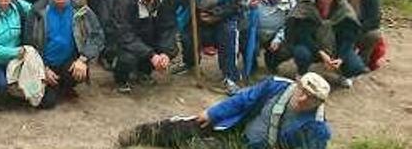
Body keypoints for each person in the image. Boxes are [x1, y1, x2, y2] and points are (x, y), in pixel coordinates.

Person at [115, 72, 332, 149]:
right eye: (302, 91)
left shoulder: (317, 129)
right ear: (297, 84)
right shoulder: (277, 85)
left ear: (319, 103)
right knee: (186, 126)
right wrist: (213, 113)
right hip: (236, 127)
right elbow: (243, 100)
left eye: (311, 98)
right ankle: (138, 134)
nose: (303, 99)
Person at [25, 0, 104, 109]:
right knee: (46, 103)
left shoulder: (80, 9)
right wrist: (42, 68)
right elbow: (29, 44)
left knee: (76, 74)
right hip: (46, 64)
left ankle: (66, 85)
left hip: (70, 62)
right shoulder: (37, 11)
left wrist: (83, 59)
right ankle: (54, 87)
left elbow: (97, 35)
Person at [286, 0, 365, 88]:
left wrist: (341, 58)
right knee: (301, 53)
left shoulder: (345, 8)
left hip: (336, 47)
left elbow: (348, 37)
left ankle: (345, 74)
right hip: (310, 45)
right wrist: (321, 53)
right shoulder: (306, 4)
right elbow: (301, 34)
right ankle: (302, 73)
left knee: (357, 67)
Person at [101, 0, 176, 94]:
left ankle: (143, 71)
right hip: (118, 41)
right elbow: (123, 34)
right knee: (128, 57)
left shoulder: (162, 0)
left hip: (142, 37)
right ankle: (121, 78)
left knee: (172, 48)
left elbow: (167, 27)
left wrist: (165, 53)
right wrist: (151, 54)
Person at [244, 0, 296, 75]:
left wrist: (278, 38)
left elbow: (291, 22)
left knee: (290, 47)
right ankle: (251, 64)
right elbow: (243, 21)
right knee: (243, 39)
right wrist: (248, 7)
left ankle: (272, 62)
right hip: (256, 35)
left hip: (277, 35)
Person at [346, 0, 386, 71]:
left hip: (361, 31)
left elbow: (374, 19)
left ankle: (363, 62)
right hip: (342, 31)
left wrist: (357, 31)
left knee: (375, 34)